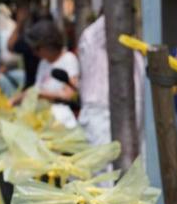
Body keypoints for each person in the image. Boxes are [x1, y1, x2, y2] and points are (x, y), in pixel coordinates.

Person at [76, 15, 145, 145]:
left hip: (132, 117)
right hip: (102, 115)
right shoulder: (91, 39)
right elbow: (112, 17)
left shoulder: (135, 53)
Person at [23, 20, 80, 127]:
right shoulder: (43, 63)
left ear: (49, 45)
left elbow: (69, 94)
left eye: (37, 48)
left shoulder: (68, 59)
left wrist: (40, 93)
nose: (35, 53)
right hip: (43, 119)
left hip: (61, 121)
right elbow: (35, 89)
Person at [7, 6, 41, 90]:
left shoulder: (32, 41)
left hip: (34, 87)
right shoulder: (29, 40)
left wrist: (19, 23)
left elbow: (10, 45)